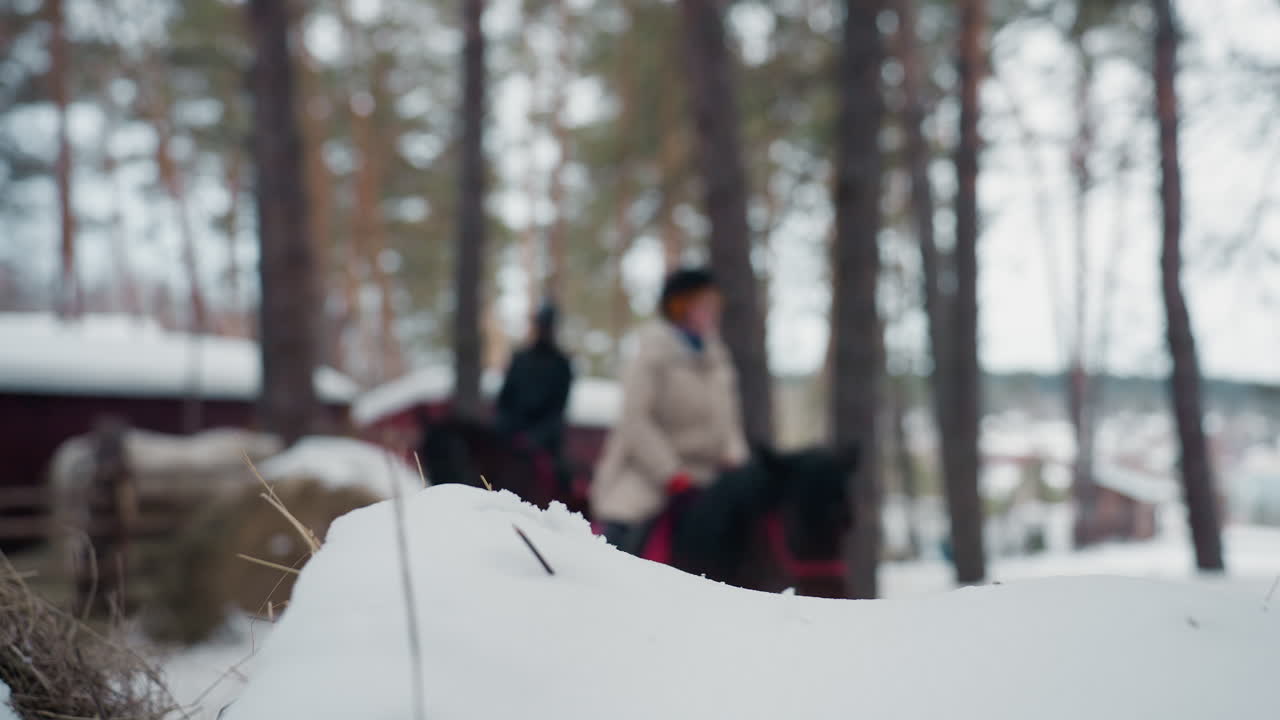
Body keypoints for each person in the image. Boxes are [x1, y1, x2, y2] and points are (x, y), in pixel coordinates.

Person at [591, 267, 749, 553]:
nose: (714, 312)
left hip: (712, 478)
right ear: (679, 306)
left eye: (716, 304)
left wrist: (736, 458)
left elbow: (730, 423)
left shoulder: (719, 360)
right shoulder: (651, 355)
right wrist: (671, 474)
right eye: (705, 304)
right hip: (648, 476)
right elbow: (635, 421)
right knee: (618, 538)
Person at [495, 301, 574, 492]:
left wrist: (535, 439)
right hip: (511, 440)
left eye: (548, 325)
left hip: (544, 447)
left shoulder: (562, 365)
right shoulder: (520, 360)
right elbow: (504, 401)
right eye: (542, 324)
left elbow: (558, 411)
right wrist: (511, 433)